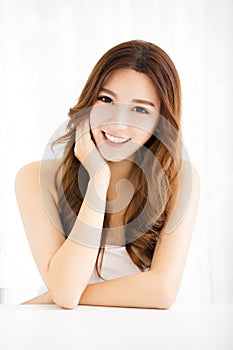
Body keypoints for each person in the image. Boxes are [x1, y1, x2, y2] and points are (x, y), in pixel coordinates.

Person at [15, 40, 200, 310]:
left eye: (140, 109)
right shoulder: (35, 178)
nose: (118, 122)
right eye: (106, 99)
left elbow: (162, 292)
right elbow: (65, 294)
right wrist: (97, 180)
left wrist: (64, 292)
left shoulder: (179, 178)